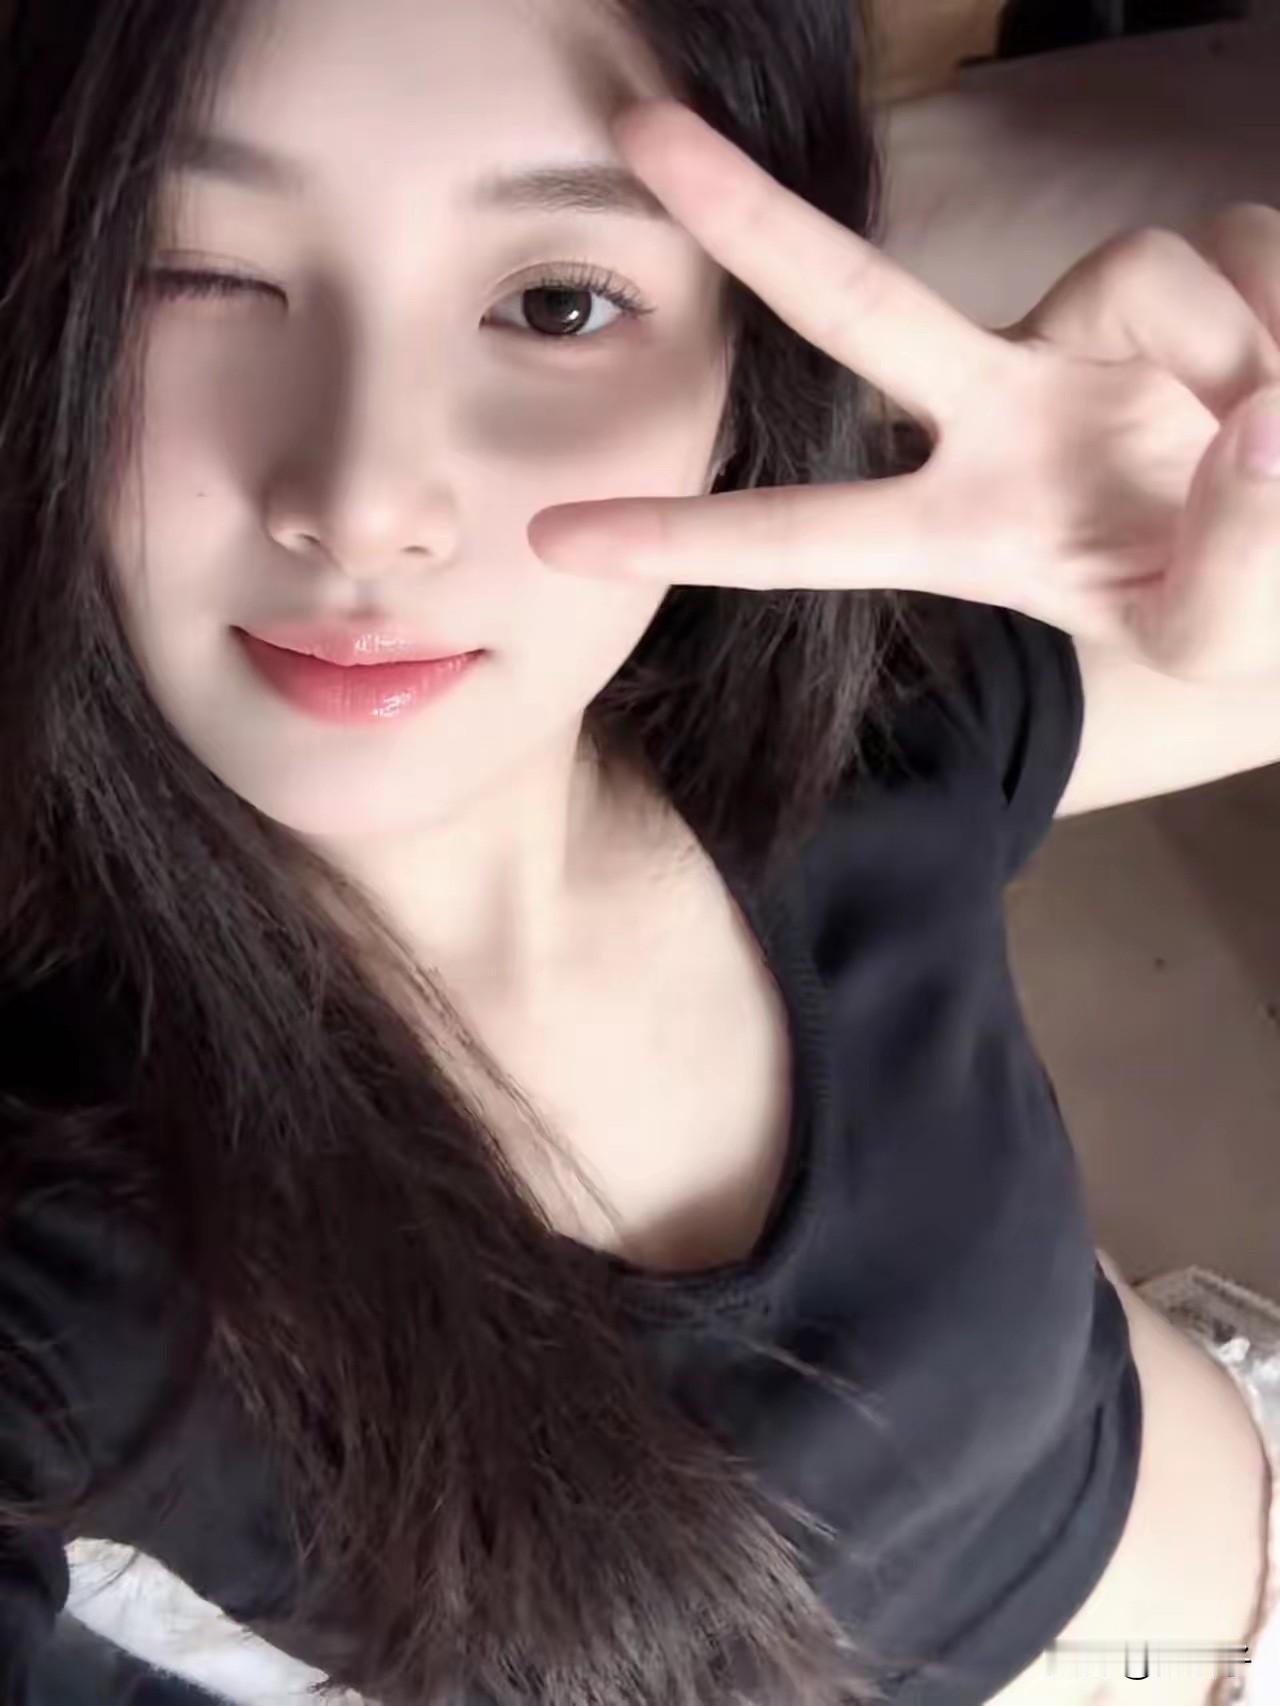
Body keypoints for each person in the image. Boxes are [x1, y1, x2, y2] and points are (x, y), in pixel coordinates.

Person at [2, 2, 1280, 1704]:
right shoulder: (62, 1223)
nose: (365, 500)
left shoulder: (847, 716)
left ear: (742, 361)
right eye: (195, 274)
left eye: (557, 302)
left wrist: (1234, 524)